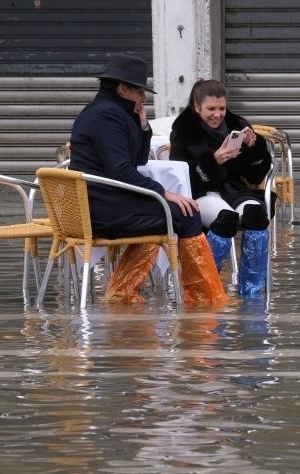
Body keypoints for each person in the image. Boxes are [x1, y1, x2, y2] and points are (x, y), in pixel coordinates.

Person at [68, 55, 225, 305]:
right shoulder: (108, 116)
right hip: (102, 209)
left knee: (172, 215)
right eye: (140, 90)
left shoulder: (106, 111)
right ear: (122, 88)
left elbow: (138, 161)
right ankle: (205, 299)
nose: (144, 97)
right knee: (185, 214)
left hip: (101, 203)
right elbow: (121, 170)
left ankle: (123, 291)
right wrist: (163, 193)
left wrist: (142, 126)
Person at [169, 79, 273, 298]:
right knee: (226, 219)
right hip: (201, 191)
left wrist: (254, 149)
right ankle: (204, 288)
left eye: (221, 108)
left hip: (233, 189)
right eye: (211, 109)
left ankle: (252, 293)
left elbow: (255, 175)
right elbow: (180, 176)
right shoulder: (184, 131)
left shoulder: (237, 124)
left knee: (257, 214)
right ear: (197, 107)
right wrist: (212, 162)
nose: (217, 114)